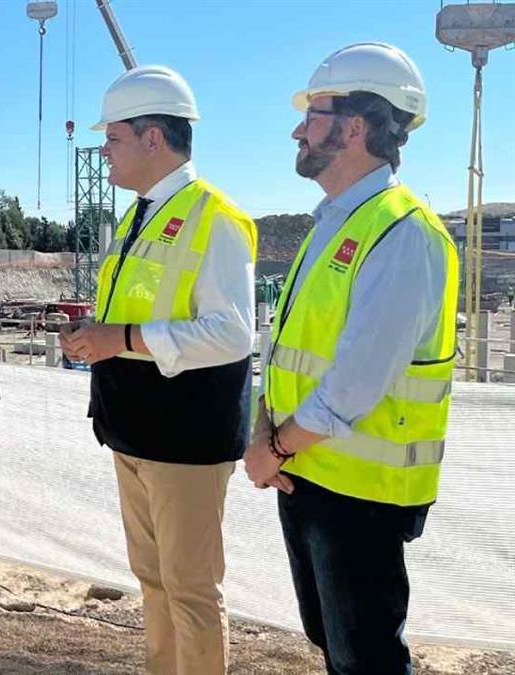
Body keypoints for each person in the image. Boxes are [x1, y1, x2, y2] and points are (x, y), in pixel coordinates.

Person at [244, 43, 459, 674]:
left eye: (312, 116)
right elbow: (290, 349)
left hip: (359, 493)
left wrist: (273, 448)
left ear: (356, 127)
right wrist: (266, 427)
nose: (297, 129)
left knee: (366, 659)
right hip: (309, 471)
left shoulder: (404, 232)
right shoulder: (334, 223)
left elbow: (357, 382)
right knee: (333, 644)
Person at [60, 65, 257, 675]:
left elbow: (232, 333)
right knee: (153, 581)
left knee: (191, 590)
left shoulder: (214, 217)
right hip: (134, 427)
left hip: (186, 437)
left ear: (154, 139)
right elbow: (139, 316)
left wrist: (119, 337)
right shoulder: (138, 216)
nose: (104, 152)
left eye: (113, 138)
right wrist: (98, 339)